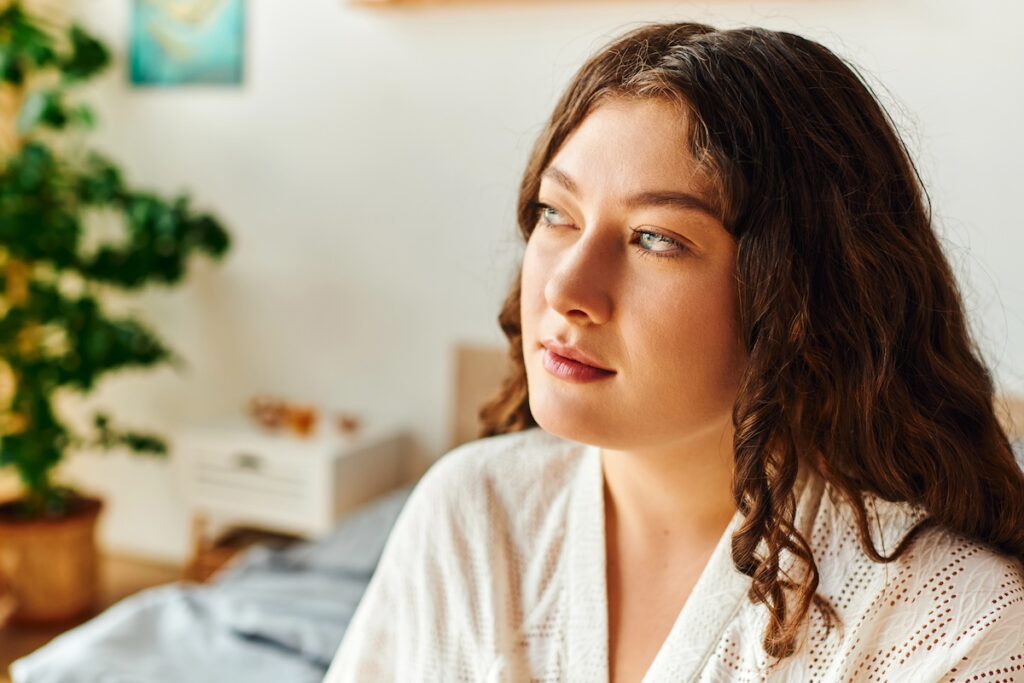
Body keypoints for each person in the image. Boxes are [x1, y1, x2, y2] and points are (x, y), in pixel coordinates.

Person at [324, 21, 1024, 682]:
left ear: (802, 296)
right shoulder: (473, 511)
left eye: (655, 239)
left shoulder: (958, 625)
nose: (565, 289)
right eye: (556, 214)